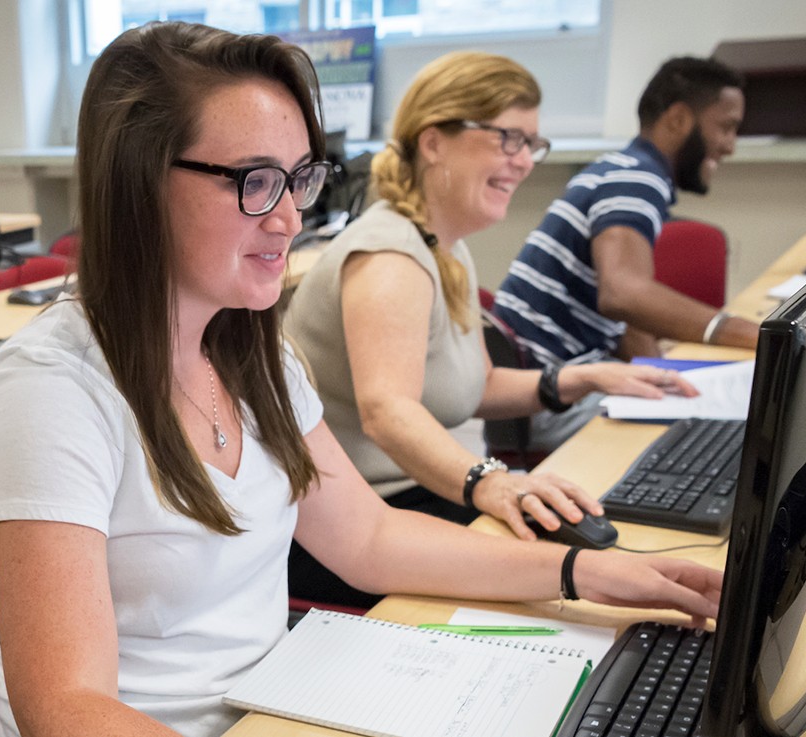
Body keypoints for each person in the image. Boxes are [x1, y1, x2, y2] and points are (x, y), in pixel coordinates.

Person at [0, 23, 722, 737]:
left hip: (285, 703)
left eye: (300, 179)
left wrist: (589, 572)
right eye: (256, 180)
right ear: (140, 181)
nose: (290, 218)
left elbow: (369, 535)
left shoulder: (253, 355)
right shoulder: (49, 394)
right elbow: (63, 707)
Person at [285, 51, 699, 607]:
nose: (524, 161)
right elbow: (388, 413)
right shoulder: (390, 255)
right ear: (433, 142)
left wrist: (577, 380)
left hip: (424, 497)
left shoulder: (443, 247)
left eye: (532, 144)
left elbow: (475, 386)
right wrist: (491, 479)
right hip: (367, 523)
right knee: (581, 578)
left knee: (602, 539)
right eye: (509, 138)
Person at [495, 56, 759, 369]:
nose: (730, 146)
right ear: (678, 119)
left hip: (542, 372)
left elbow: (625, 321)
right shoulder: (637, 179)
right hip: (546, 387)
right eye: (726, 128)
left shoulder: (621, 169)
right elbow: (622, 294)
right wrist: (750, 333)